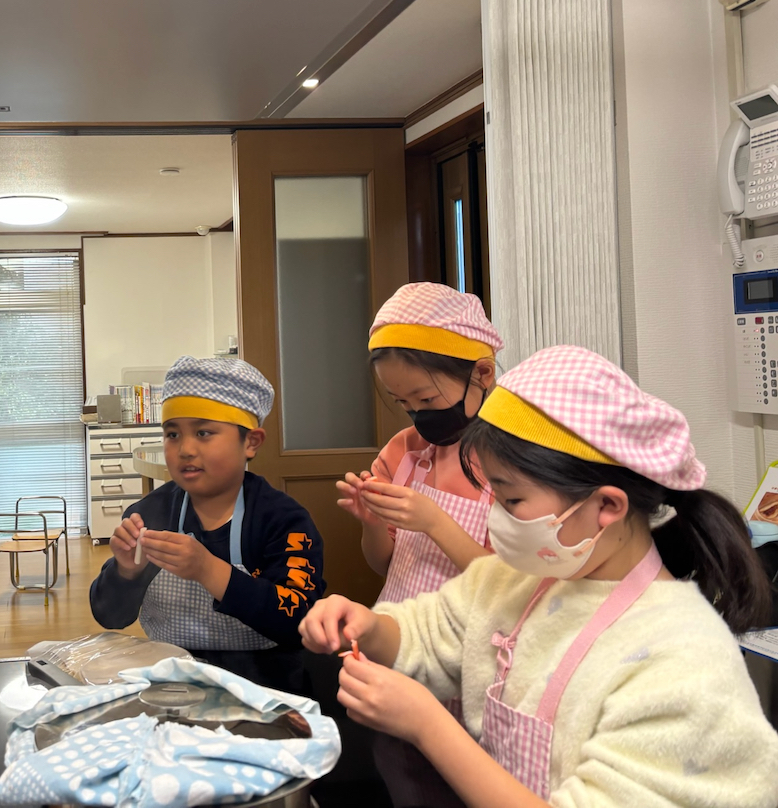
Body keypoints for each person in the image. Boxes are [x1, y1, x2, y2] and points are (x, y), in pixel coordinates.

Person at [301, 345, 778, 808]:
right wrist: (368, 627)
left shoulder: (682, 661)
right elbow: (430, 636)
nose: (496, 519)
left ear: (607, 506)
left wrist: (428, 725)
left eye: (511, 501)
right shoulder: (517, 580)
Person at [337, 282, 501, 804]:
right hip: (400, 661)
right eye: (403, 403)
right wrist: (370, 522)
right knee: (408, 783)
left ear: (483, 373)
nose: (417, 415)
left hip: (479, 669)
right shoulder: (406, 452)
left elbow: (515, 585)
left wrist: (435, 522)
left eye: (427, 399)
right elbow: (383, 564)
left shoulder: (514, 464)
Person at [90, 356, 325, 693]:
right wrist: (125, 572)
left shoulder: (284, 521)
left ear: (251, 442)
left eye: (203, 433)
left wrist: (208, 570)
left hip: (266, 689)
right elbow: (110, 617)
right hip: (172, 684)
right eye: (172, 434)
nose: (185, 449)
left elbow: (299, 621)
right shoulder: (150, 514)